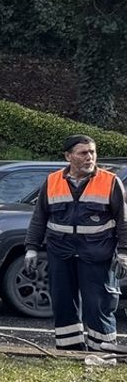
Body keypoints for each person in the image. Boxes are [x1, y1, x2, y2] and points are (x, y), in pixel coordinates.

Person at [24, 135, 127, 351]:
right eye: (83, 153)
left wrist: (124, 252)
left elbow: (123, 220)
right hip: (61, 253)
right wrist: (31, 249)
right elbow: (39, 218)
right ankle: (69, 351)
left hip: (97, 253)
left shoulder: (109, 181)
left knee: (98, 304)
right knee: (63, 304)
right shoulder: (52, 181)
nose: (90, 157)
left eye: (92, 152)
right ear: (68, 156)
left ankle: (104, 350)